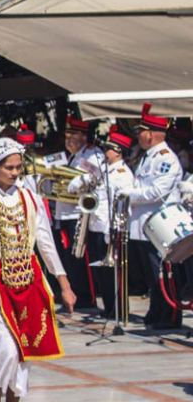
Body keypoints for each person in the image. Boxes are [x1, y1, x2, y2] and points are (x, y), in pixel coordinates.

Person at [0, 137, 75, 402]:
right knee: (6, 348)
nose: (15, 173)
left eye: (18, 167)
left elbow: (45, 242)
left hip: (29, 278)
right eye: (9, 168)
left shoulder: (31, 199)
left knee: (23, 351)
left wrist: (63, 282)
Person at [120, 104, 183, 329]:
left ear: (151, 133)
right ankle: (156, 312)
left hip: (159, 226)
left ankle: (169, 315)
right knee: (151, 276)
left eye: (141, 131)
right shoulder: (148, 156)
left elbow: (157, 191)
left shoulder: (166, 158)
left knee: (163, 275)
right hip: (143, 225)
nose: (138, 135)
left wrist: (129, 194)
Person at [66, 126, 135, 320]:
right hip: (96, 225)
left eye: (109, 149)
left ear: (118, 152)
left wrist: (115, 230)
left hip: (110, 228)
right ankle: (108, 308)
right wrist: (81, 180)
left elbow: (122, 204)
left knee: (115, 274)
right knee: (101, 273)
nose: (105, 152)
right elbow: (81, 183)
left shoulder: (122, 173)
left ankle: (119, 310)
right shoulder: (103, 169)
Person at [52, 116, 104, 310]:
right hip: (64, 212)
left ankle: (86, 296)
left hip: (77, 213)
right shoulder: (73, 156)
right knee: (69, 259)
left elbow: (96, 175)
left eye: (72, 134)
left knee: (80, 258)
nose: (68, 138)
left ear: (82, 136)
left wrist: (80, 181)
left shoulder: (91, 155)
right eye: (67, 134)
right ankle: (75, 292)